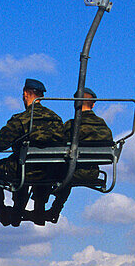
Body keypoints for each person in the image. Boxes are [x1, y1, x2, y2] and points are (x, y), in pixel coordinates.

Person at [0, 78, 67, 226]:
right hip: (50, 173)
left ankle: (2, 212)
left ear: (25, 94)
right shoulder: (56, 120)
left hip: (25, 172)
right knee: (32, 168)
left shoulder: (21, 120)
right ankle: (38, 207)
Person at [43, 87, 113, 223]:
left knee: (50, 170)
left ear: (76, 103)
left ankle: (46, 207)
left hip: (70, 172)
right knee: (67, 175)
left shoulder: (72, 126)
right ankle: (54, 210)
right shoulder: (104, 128)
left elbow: (58, 144)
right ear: (93, 104)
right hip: (92, 172)